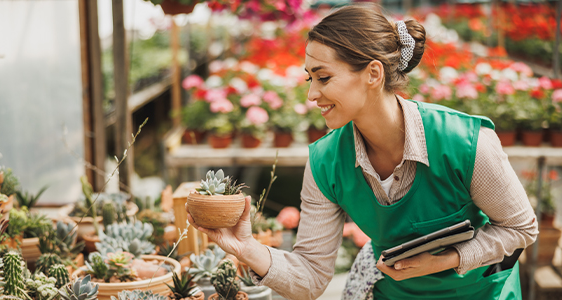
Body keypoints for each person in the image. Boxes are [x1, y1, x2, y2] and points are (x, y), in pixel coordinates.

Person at [186, 4, 538, 300]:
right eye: (310, 79)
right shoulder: (325, 161)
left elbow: (521, 228)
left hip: (482, 292)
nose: (311, 95)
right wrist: (247, 249)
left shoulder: (464, 141)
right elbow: (310, 276)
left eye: (323, 78)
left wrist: (448, 258)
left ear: (373, 74)